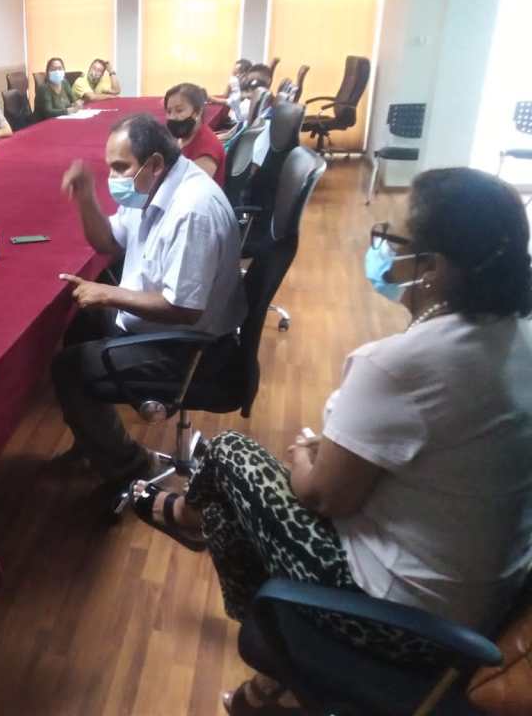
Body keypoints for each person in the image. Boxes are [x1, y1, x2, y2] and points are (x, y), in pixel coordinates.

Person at [132, 168, 532, 713]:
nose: (382, 249)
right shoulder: (516, 336)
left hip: (404, 620)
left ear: (433, 269)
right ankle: (273, 680)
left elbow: (323, 496)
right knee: (227, 513)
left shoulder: (404, 364)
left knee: (227, 452)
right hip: (479, 603)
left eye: (393, 238)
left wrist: (304, 454)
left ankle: (187, 519)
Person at [52, 114, 247, 483]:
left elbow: (184, 309)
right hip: (160, 326)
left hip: (190, 349)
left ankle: (132, 467)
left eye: (120, 167)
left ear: (155, 163)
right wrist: (86, 196)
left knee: (67, 368)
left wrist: (109, 293)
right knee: (81, 325)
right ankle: (93, 442)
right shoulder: (152, 186)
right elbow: (108, 242)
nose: (114, 178)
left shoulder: (193, 210)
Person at [164, 83, 227, 186]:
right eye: (169, 111)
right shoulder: (185, 136)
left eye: (179, 110)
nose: (172, 117)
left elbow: (191, 189)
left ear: (198, 112)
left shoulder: (207, 150)